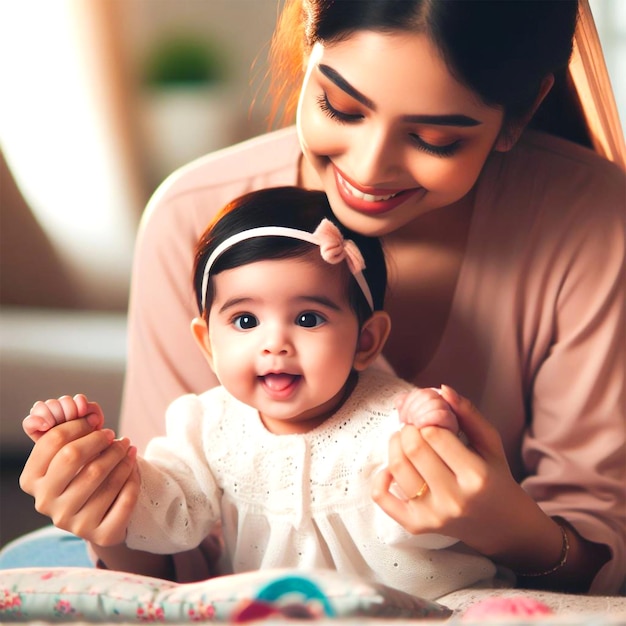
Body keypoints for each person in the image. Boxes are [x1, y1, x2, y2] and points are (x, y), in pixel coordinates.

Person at [13, 0, 625, 599]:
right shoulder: (195, 217)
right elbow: (178, 548)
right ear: (309, 33)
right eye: (341, 106)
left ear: (519, 115)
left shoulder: (597, 223)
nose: (369, 168)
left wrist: (507, 527)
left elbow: (603, 551)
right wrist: (106, 511)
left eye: (435, 138)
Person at [23, 187, 485, 600]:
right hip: (272, 611)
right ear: (208, 343)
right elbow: (168, 516)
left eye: (308, 319)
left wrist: (433, 438)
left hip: (417, 604)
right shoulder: (206, 426)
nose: (274, 343)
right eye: (245, 321)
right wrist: (92, 458)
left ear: (365, 341)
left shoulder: (392, 420)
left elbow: (434, 519)